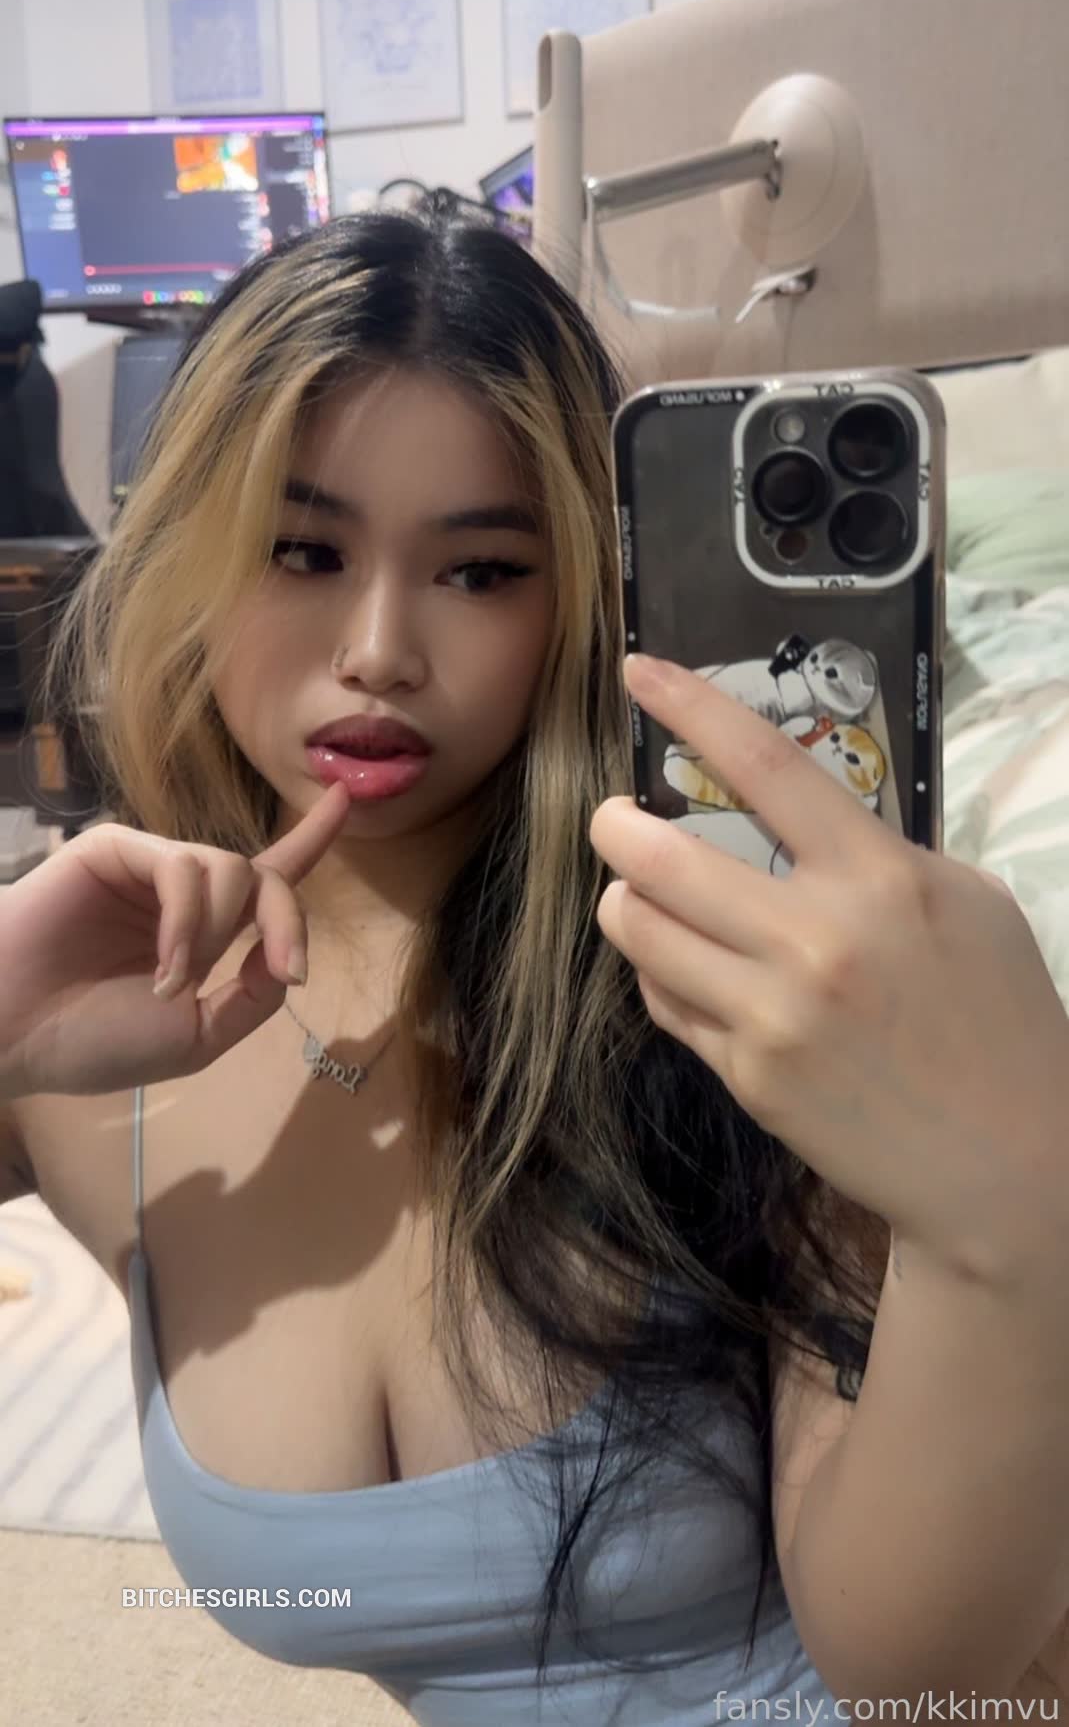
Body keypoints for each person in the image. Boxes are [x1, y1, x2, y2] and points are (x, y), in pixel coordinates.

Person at [1, 205, 1067, 1724]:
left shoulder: (705, 981)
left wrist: (1004, 1222)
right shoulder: (88, 1028)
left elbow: (911, 1679)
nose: (379, 648)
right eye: (303, 549)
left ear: (581, 589)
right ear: (187, 548)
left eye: (483, 571)